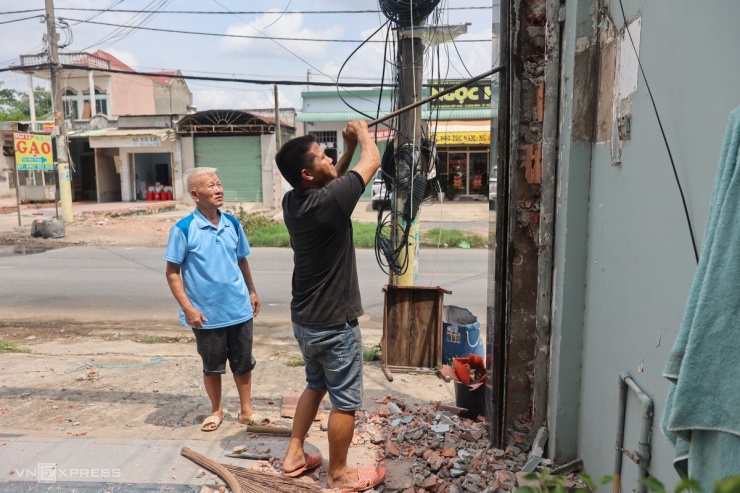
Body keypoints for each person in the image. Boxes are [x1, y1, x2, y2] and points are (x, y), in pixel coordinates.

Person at [275, 121, 386, 492]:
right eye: (323, 156)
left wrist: (346, 147)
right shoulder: (328, 204)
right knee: (345, 403)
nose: (331, 159)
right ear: (306, 173)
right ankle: (338, 475)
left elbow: (335, 179)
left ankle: (294, 455)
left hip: (305, 320)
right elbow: (372, 161)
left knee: (315, 384)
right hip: (334, 324)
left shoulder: (294, 200)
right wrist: (363, 136)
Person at [164, 167, 266, 432]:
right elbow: (172, 272)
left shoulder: (232, 223)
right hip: (206, 315)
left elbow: (241, 260)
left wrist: (252, 292)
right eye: (211, 186)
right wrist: (188, 308)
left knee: (243, 363)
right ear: (195, 195)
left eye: (219, 184)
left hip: (239, 308)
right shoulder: (183, 229)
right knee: (212, 366)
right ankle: (216, 410)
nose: (219, 190)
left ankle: (246, 411)